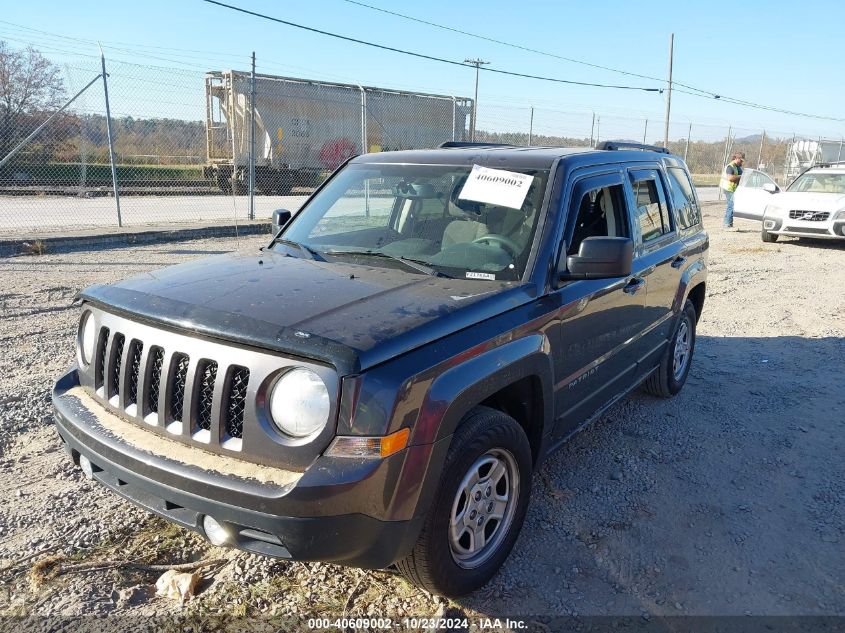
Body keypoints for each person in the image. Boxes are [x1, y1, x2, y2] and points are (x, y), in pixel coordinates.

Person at [720, 151, 745, 228]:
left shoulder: (738, 167)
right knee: (731, 205)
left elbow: (742, 176)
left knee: (731, 206)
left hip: (733, 189)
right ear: (737, 158)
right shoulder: (730, 167)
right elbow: (730, 178)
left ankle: (727, 223)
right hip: (728, 189)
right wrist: (741, 176)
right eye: (741, 160)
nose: (742, 162)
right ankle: (728, 224)